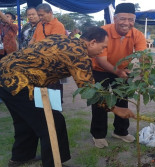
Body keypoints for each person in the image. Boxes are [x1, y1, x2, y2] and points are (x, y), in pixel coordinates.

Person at [0, 26, 135, 167]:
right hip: (18, 83)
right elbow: (89, 90)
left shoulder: (64, 38)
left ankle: (21, 158)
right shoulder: (79, 54)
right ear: (92, 42)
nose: (102, 52)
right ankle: (53, 163)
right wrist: (116, 109)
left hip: (4, 74)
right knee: (53, 122)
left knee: (25, 121)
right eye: (102, 47)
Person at [91, 3, 146, 148]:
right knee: (99, 100)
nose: (126, 23)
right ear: (115, 19)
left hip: (122, 69)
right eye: (122, 19)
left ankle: (121, 131)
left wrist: (144, 71)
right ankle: (98, 134)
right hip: (100, 70)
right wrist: (118, 72)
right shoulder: (103, 32)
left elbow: (143, 56)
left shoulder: (137, 34)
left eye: (131, 19)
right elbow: (101, 60)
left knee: (123, 99)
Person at [29, 3, 66, 104]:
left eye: (42, 15)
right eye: (39, 15)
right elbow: (33, 38)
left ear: (50, 13)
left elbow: (51, 46)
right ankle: (42, 109)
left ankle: (55, 111)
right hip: (38, 61)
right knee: (40, 88)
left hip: (52, 64)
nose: (40, 18)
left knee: (53, 89)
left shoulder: (58, 26)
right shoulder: (40, 24)